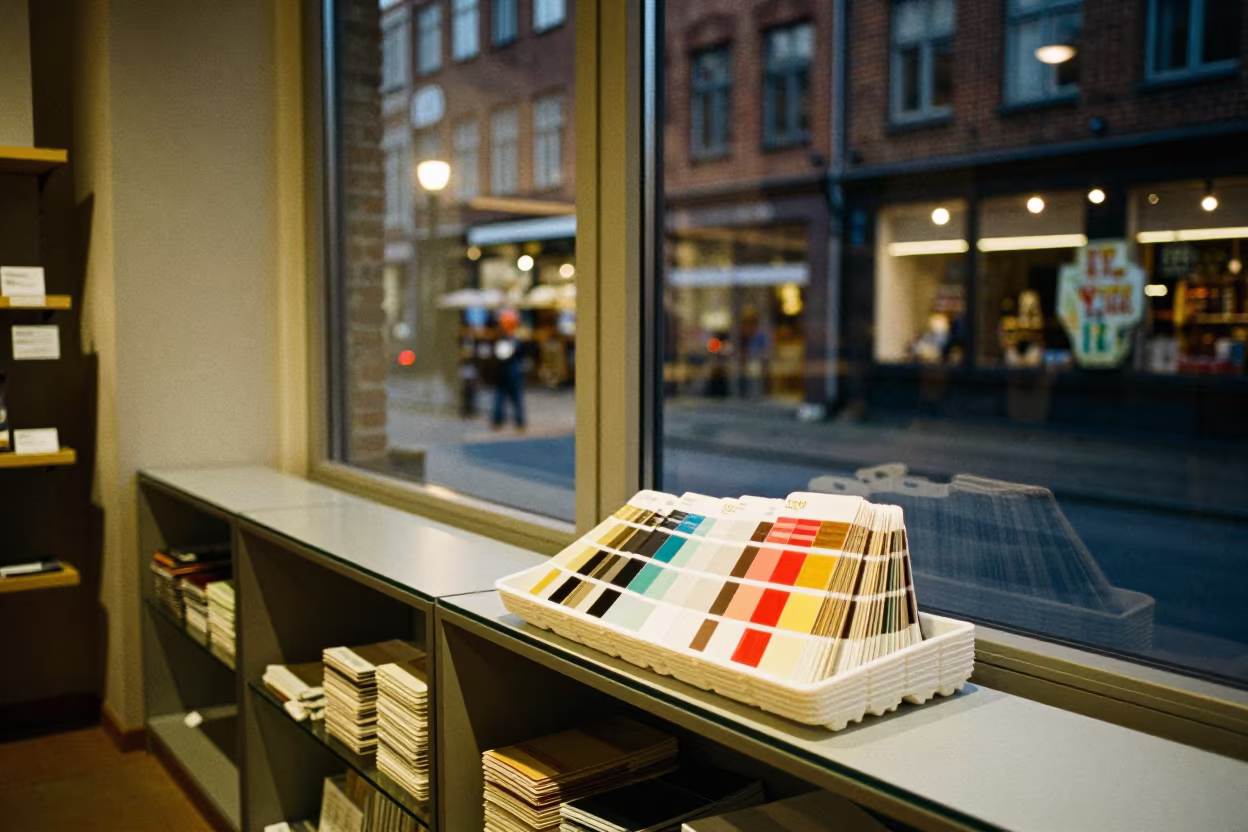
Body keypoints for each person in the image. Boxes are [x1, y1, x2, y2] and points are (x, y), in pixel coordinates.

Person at [492, 308, 526, 429]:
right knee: (509, 397)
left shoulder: (509, 339)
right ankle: (514, 420)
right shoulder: (512, 339)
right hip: (510, 371)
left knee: (506, 397)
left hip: (508, 371)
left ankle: (504, 420)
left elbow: (501, 354)